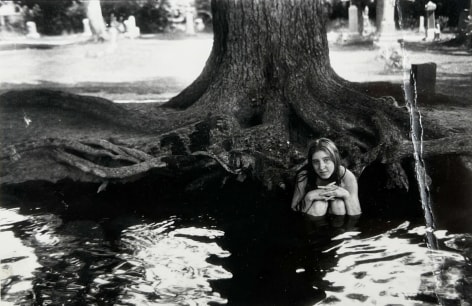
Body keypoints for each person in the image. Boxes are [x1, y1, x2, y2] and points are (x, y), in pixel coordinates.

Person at [291, 138, 361, 217]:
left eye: (326, 160)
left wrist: (346, 195)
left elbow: (356, 213)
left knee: (338, 204)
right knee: (319, 205)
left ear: (335, 158)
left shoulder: (346, 175)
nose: (321, 167)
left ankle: (338, 229)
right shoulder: (304, 175)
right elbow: (294, 211)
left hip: (339, 218)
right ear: (311, 162)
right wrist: (309, 197)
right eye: (316, 162)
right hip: (313, 218)